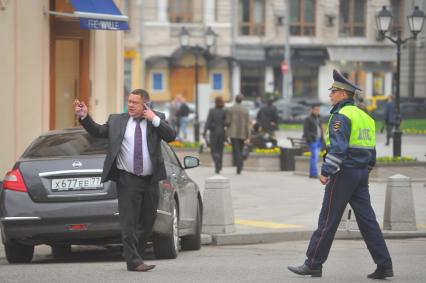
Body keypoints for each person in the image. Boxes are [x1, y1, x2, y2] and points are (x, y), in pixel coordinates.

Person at [288, 70, 393, 279]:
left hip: (343, 173)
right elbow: (371, 151)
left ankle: (313, 264)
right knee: (368, 221)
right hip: (361, 174)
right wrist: (365, 170)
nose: (330, 95)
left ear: (343, 94)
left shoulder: (340, 116)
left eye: (333, 91)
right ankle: (384, 265)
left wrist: (326, 171)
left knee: (327, 219)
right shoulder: (365, 116)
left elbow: (338, 149)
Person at [73, 89, 176, 272]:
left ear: (145, 104)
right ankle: (133, 260)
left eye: (135, 102)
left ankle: (135, 254)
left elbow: (171, 136)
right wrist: (85, 117)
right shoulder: (117, 120)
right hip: (128, 179)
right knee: (128, 222)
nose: (130, 105)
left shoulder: (156, 119)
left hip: (150, 180)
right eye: (129, 101)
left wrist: (153, 118)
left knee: (147, 220)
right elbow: (98, 131)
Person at [226, 94, 251, 174]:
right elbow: (248, 123)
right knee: (240, 149)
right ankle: (240, 165)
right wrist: (248, 134)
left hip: (233, 132)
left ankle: (239, 164)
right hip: (243, 132)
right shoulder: (245, 110)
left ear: (235, 99)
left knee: (235, 149)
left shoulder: (231, 109)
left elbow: (228, 121)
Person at [203, 96, 227, 174]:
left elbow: (208, 121)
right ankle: (219, 165)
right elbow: (226, 122)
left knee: (214, 149)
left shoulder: (212, 111)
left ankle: (216, 160)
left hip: (213, 132)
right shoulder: (224, 111)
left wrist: (205, 131)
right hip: (222, 132)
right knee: (220, 149)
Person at [303, 104, 323, 178]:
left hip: (319, 140)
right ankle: (313, 174)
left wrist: (322, 140)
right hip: (313, 141)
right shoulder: (308, 119)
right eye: (316, 109)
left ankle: (313, 173)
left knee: (315, 158)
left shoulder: (319, 118)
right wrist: (311, 140)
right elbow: (306, 131)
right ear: (312, 110)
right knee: (314, 157)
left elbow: (321, 129)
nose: (318, 111)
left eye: (319, 109)